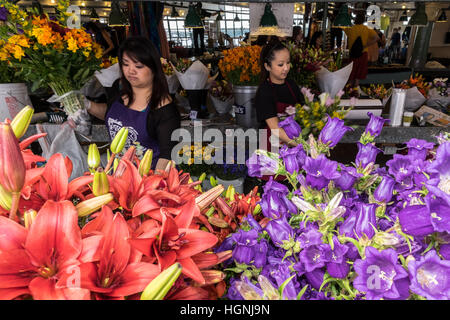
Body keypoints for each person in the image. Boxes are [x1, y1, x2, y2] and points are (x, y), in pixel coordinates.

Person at [84, 36, 181, 171]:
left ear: (153, 68)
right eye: (125, 64)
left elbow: (167, 157)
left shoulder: (164, 109)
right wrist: (86, 105)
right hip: (117, 178)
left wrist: (151, 187)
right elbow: (109, 113)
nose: (131, 71)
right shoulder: (120, 96)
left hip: (147, 182)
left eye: (138, 66)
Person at [255, 40, 304, 151]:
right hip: (271, 147)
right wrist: (301, 145)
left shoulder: (292, 85)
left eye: (288, 62)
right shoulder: (264, 91)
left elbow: (304, 111)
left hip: (293, 143)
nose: (286, 68)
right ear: (267, 66)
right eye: (280, 64)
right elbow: (275, 128)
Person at [344, 13, 379, 88]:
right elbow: (377, 38)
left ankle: (348, 93)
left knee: (351, 74)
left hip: (353, 54)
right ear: (363, 20)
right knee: (358, 76)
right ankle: (355, 93)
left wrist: (348, 14)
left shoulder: (350, 28)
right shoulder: (367, 29)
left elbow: (342, 25)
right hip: (363, 54)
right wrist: (365, 45)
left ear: (355, 19)